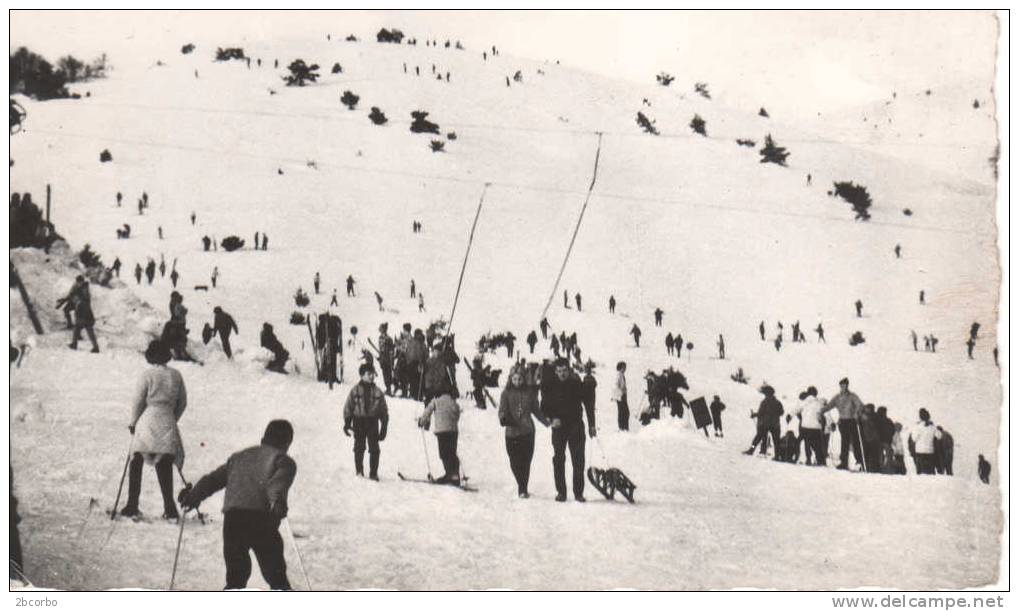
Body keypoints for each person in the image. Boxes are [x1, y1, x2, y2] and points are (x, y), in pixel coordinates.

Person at [179, 420, 296, 590]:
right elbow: (276, 486)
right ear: (287, 443)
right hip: (262, 520)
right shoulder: (284, 461)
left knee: (236, 577)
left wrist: (193, 497)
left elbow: (213, 480)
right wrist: (277, 502)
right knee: (276, 574)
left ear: (264, 438)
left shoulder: (240, 457)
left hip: (234, 520)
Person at [122, 340, 187, 519]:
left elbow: (138, 401)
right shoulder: (176, 375)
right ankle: (170, 508)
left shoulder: (147, 375)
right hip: (167, 421)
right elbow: (183, 402)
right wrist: (172, 419)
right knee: (164, 462)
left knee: (136, 459)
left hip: (147, 420)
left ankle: (132, 505)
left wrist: (133, 422)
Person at [541, 358, 596, 502]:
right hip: (559, 428)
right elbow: (543, 407)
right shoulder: (550, 386)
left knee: (578, 461)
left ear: (569, 370)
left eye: (564, 370)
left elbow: (588, 404)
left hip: (576, 426)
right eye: (559, 371)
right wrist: (551, 419)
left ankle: (578, 493)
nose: (562, 374)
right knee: (559, 459)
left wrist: (592, 424)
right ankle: (561, 492)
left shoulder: (576, 384)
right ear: (555, 371)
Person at [499, 367, 549, 498]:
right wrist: (503, 417)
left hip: (528, 432)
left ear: (524, 379)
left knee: (526, 461)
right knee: (514, 462)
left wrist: (547, 423)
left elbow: (536, 411)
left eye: (520, 379)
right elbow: (502, 410)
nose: (517, 381)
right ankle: (521, 484)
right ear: (510, 379)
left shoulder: (529, 393)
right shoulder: (506, 393)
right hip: (512, 432)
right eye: (514, 379)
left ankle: (523, 488)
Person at [343, 364, 389, 479]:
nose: (372, 376)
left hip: (372, 422)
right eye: (369, 374)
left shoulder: (378, 392)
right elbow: (348, 407)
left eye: (373, 374)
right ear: (362, 375)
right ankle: (359, 471)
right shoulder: (355, 390)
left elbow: (383, 411)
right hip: (358, 421)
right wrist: (347, 423)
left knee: (374, 448)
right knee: (359, 447)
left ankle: (373, 473)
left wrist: (384, 427)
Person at [418, 392, 462, 484]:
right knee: (452, 452)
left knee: (444, 453)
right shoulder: (452, 401)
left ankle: (449, 475)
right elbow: (457, 412)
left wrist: (421, 422)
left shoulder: (436, 401)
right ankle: (455, 475)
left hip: (442, 431)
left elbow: (427, 412)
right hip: (453, 430)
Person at [826, 377, 865, 470]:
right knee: (844, 442)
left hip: (852, 421)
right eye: (841, 385)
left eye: (844, 385)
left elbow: (860, 405)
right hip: (843, 422)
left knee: (855, 442)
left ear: (847, 385)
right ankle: (843, 462)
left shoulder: (852, 396)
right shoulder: (837, 397)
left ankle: (860, 462)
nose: (843, 387)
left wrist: (856, 413)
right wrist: (821, 410)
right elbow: (830, 405)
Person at [744, 385, 783, 458]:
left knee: (758, 438)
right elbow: (782, 412)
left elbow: (761, 412)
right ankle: (777, 455)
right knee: (776, 441)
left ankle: (752, 450)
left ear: (767, 394)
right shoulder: (778, 402)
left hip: (765, 423)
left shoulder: (764, 402)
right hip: (775, 424)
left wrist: (754, 415)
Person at [66, 276, 100, 353]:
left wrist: (76, 299)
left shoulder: (84, 289)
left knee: (83, 329)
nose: (77, 283)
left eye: (78, 282)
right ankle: (94, 347)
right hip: (84, 312)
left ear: (81, 282)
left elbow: (83, 300)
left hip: (83, 312)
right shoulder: (82, 288)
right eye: (77, 282)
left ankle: (75, 344)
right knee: (80, 328)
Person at [794, 387, 826, 464]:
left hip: (805, 426)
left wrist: (797, 416)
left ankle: (808, 459)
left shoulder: (804, 402)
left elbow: (796, 410)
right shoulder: (819, 402)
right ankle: (821, 460)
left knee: (807, 443)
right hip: (816, 427)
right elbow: (823, 413)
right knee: (817, 445)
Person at [908, 408, 941, 475]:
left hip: (920, 452)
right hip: (930, 452)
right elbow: (939, 436)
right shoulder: (932, 427)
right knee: (930, 472)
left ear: (920, 417)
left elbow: (914, 439)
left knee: (920, 474)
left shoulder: (918, 427)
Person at [377, 324, 395, 395]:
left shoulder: (389, 339)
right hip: (383, 358)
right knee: (385, 373)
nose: (379, 330)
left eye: (380, 328)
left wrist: (391, 359)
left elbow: (391, 349)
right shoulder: (380, 337)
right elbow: (381, 348)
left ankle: (389, 389)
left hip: (388, 359)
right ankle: (388, 388)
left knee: (388, 374)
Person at [612, 361, 629, 431]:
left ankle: (624, 427)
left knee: (624, 412)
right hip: (620, 396)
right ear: (621, 367)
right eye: (624, 367)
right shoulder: (619, 375)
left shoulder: (621, 375)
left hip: (622, 395)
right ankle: (622, 427)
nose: (625, 369)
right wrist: (619, 395)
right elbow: (616, 386)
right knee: (623, 412)